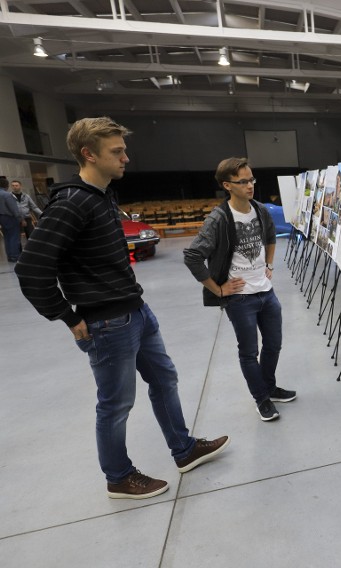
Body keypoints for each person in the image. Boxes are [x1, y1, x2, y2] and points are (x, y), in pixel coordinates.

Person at [15, 117, 229, 499]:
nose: (126, 158)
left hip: (136, 311)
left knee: (164, 379)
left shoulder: (103, 195)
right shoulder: (71, 202)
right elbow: (32, 267)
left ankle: (184, 449)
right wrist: (66, 315)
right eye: (117, 152)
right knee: (115, 405)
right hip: (106, 322)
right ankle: (118, 476)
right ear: (88, 154)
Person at [184, 157, 297, 422]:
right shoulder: (219, 219)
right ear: (227, 185)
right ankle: (261, 399)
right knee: (248, 352)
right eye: (243, 181)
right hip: (239, 299)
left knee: (274, 344)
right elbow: (192, 256)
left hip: (266, 292)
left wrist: (268, 264)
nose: (250, 185)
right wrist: (218, 289)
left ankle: (269, 387)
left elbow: (270, 237)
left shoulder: (260, 210)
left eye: (252, 179)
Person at [0, 177, 24, 262]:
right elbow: (14, 209)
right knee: (14, 237)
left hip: (1, 218)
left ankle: (10, 256)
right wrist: (20, 219)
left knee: (7, 238)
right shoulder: (7, 195)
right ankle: (15, 256)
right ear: (6, 186)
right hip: (10, 217)